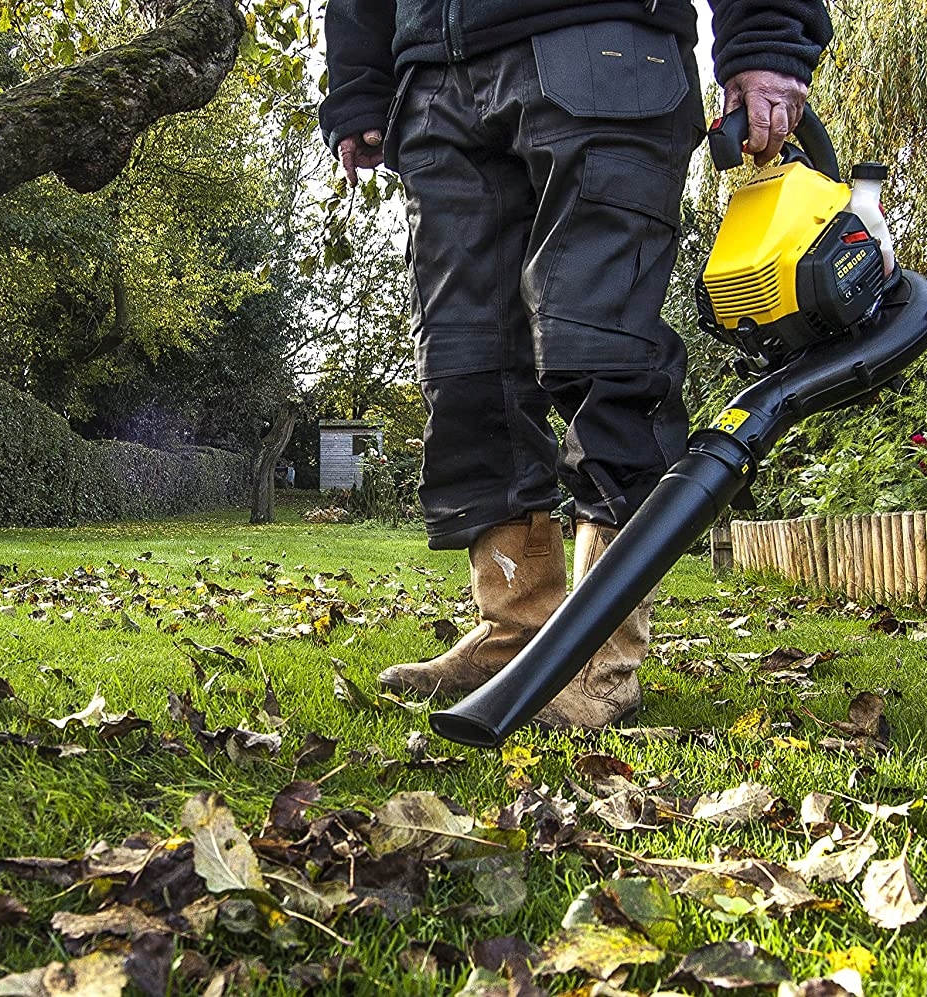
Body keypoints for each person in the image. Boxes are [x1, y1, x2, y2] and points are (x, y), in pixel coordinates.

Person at [320, 0, 832, 728]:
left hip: (602, 48)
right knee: (465, 370)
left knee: (602, 352)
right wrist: (358, 83)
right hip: (436, 79)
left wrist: (768, 35)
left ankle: (600, 660)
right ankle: (517, 632)